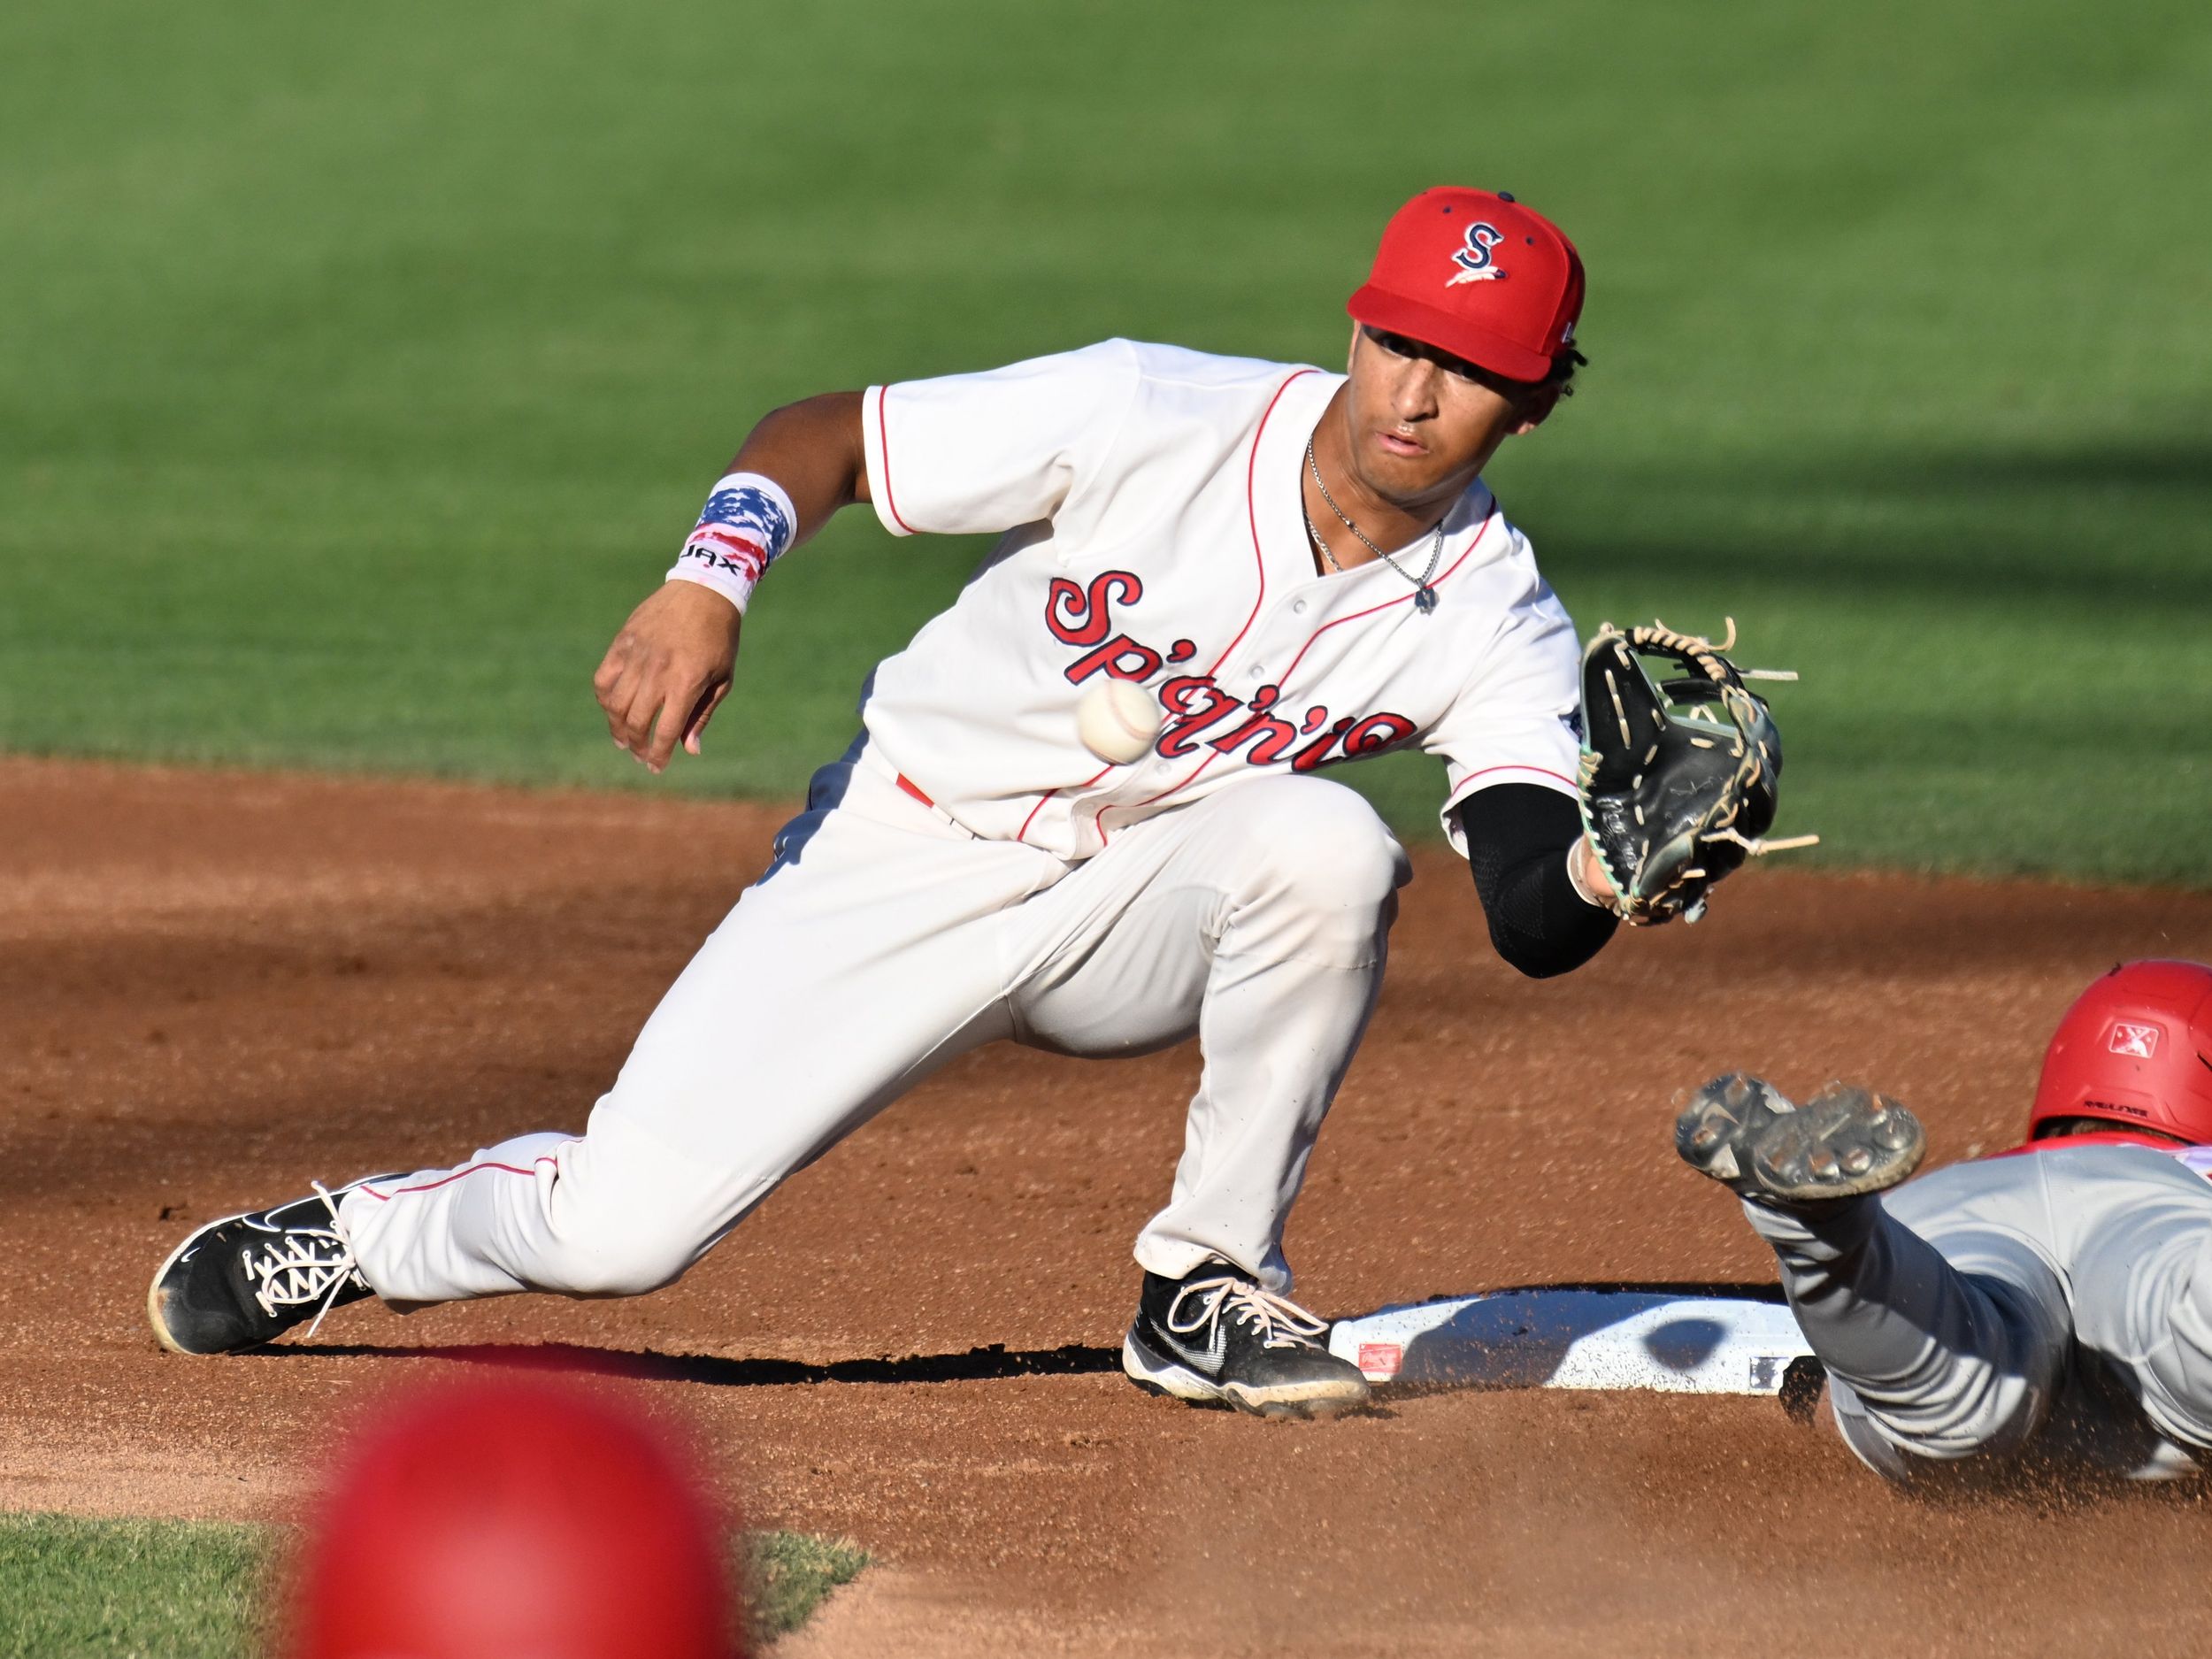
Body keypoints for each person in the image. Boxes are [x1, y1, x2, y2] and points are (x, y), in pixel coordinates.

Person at [151, 188, 1674, 1419]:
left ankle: (1206, 1285)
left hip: (1127, 907)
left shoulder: (1495, 614)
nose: (1416, 391)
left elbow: (1535, 912)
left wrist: (1614, 874)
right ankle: (356, 1237)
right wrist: (708, 583)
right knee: (617, 1234)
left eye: (1469, 366)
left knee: (1333, 848)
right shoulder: (1153, 410)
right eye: (1400, 339)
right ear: (1354, 328)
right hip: (904, 846)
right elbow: (827, 434)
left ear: (1530, 406)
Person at [1676, 959, 2212, 1482]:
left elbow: (1817, 1396)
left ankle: (1817, 1227)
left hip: (1948, 1211)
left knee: (1954, 1385)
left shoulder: (1984, 1175)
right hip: (2164, 1204)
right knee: (2182, 1326)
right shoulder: (2196, 1172)